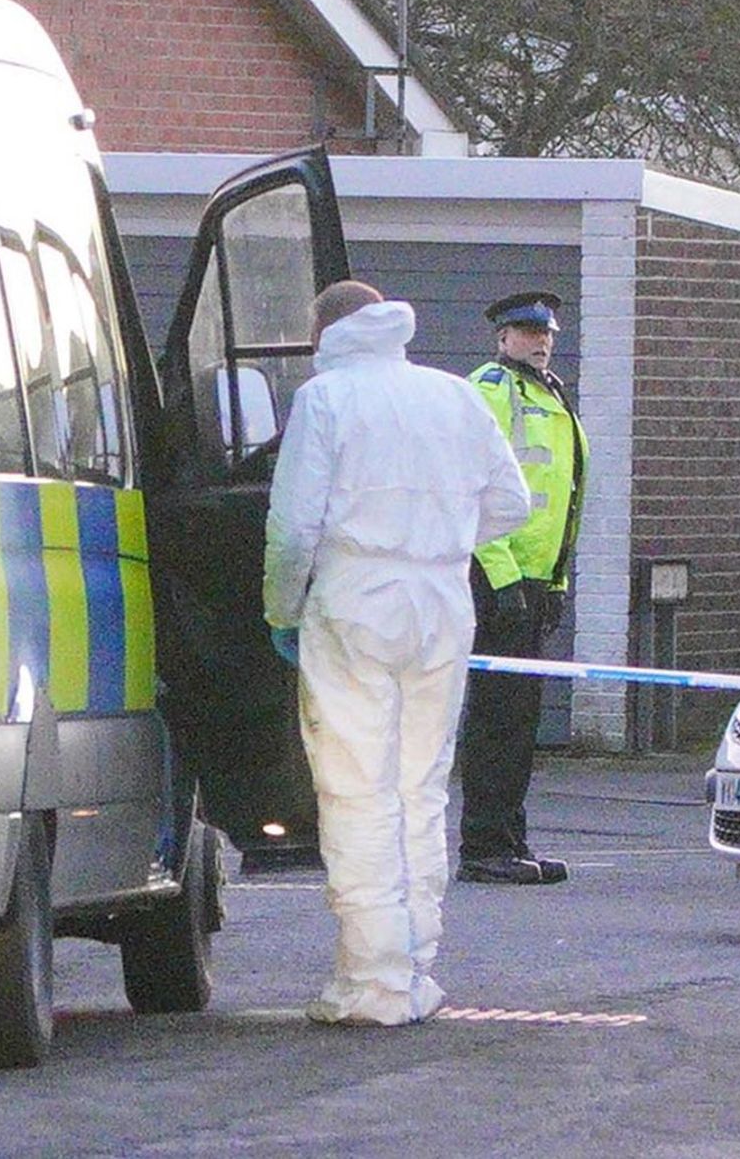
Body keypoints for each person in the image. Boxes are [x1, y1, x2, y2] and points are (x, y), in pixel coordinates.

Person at [262, 280, 530, 1027]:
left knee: (358, 790)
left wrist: (282, 609)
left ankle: (372, 982)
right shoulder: (453, 396)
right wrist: (438, 538)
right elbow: (513, 503)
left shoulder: (326, 398)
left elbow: (292, 529)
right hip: (442, 600)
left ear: (324, 331)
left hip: (354, 598)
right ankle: (417, 969)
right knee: (422, 786)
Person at [456, 289, 588, 887]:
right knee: (498, 717)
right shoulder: (492, 386)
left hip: (533, 579)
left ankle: (509, 838)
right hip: (496, 575)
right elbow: (471, 487)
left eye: (548, 334)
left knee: (519, 719)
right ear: (502, 337)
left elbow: (563, 496)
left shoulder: (548, 392)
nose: (541, 342)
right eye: (528, 333)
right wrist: (504, 579)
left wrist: (554, 581)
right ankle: (484, 845)